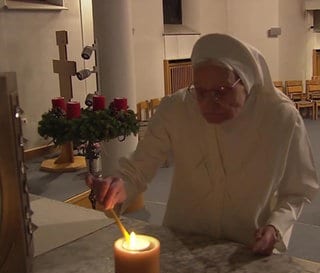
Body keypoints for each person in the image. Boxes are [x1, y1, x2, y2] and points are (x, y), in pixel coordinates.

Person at [87, 33, 319, 256]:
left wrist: (275, 228)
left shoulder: (280, 117)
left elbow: (298, 190)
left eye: (221, 92)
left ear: (245, 81)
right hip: (183, 237)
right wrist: (118, 187)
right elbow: (138, 169)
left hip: (245, 246)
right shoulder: (176, 108)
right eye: (200, 91)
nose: (209, 103)